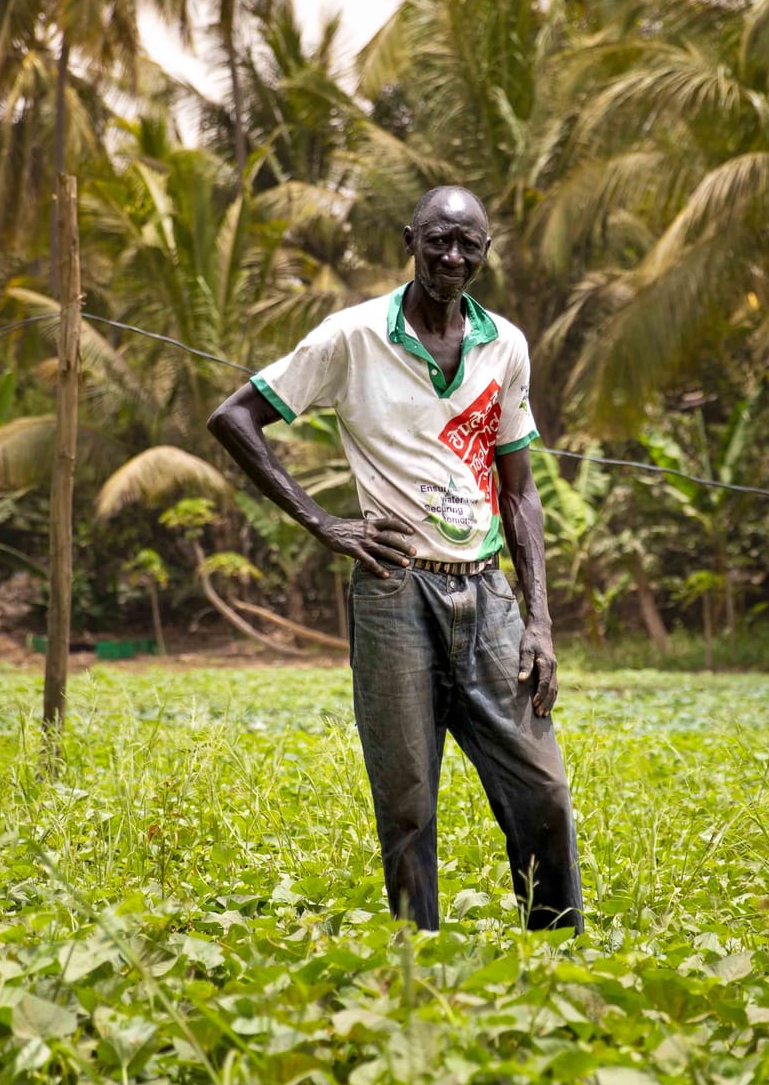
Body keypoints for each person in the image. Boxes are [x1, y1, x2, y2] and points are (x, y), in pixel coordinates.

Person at [207, 186, 583, 931]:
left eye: (467, 245)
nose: (451, 256)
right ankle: (421, 962)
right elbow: (234, 418)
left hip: (488, 594)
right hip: (393, 592)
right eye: (437, 240)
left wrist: (539, 620)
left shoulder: (503, 343)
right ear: (409, 239)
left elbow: (519, 489)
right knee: (408, 800)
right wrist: (325, 524)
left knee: (543, 788)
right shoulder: (351, 337)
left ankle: (557, 955)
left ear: (484, 253)